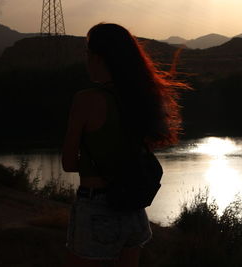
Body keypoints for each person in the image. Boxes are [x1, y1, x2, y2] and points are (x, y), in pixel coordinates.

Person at [62, 23, 188, 267]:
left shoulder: (86, 100)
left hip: (96, 208)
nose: (87, 60)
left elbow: (68, 163)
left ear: (98, 57)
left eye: (88, 54)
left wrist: (95, 165)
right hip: (132, 209)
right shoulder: (141, 98)